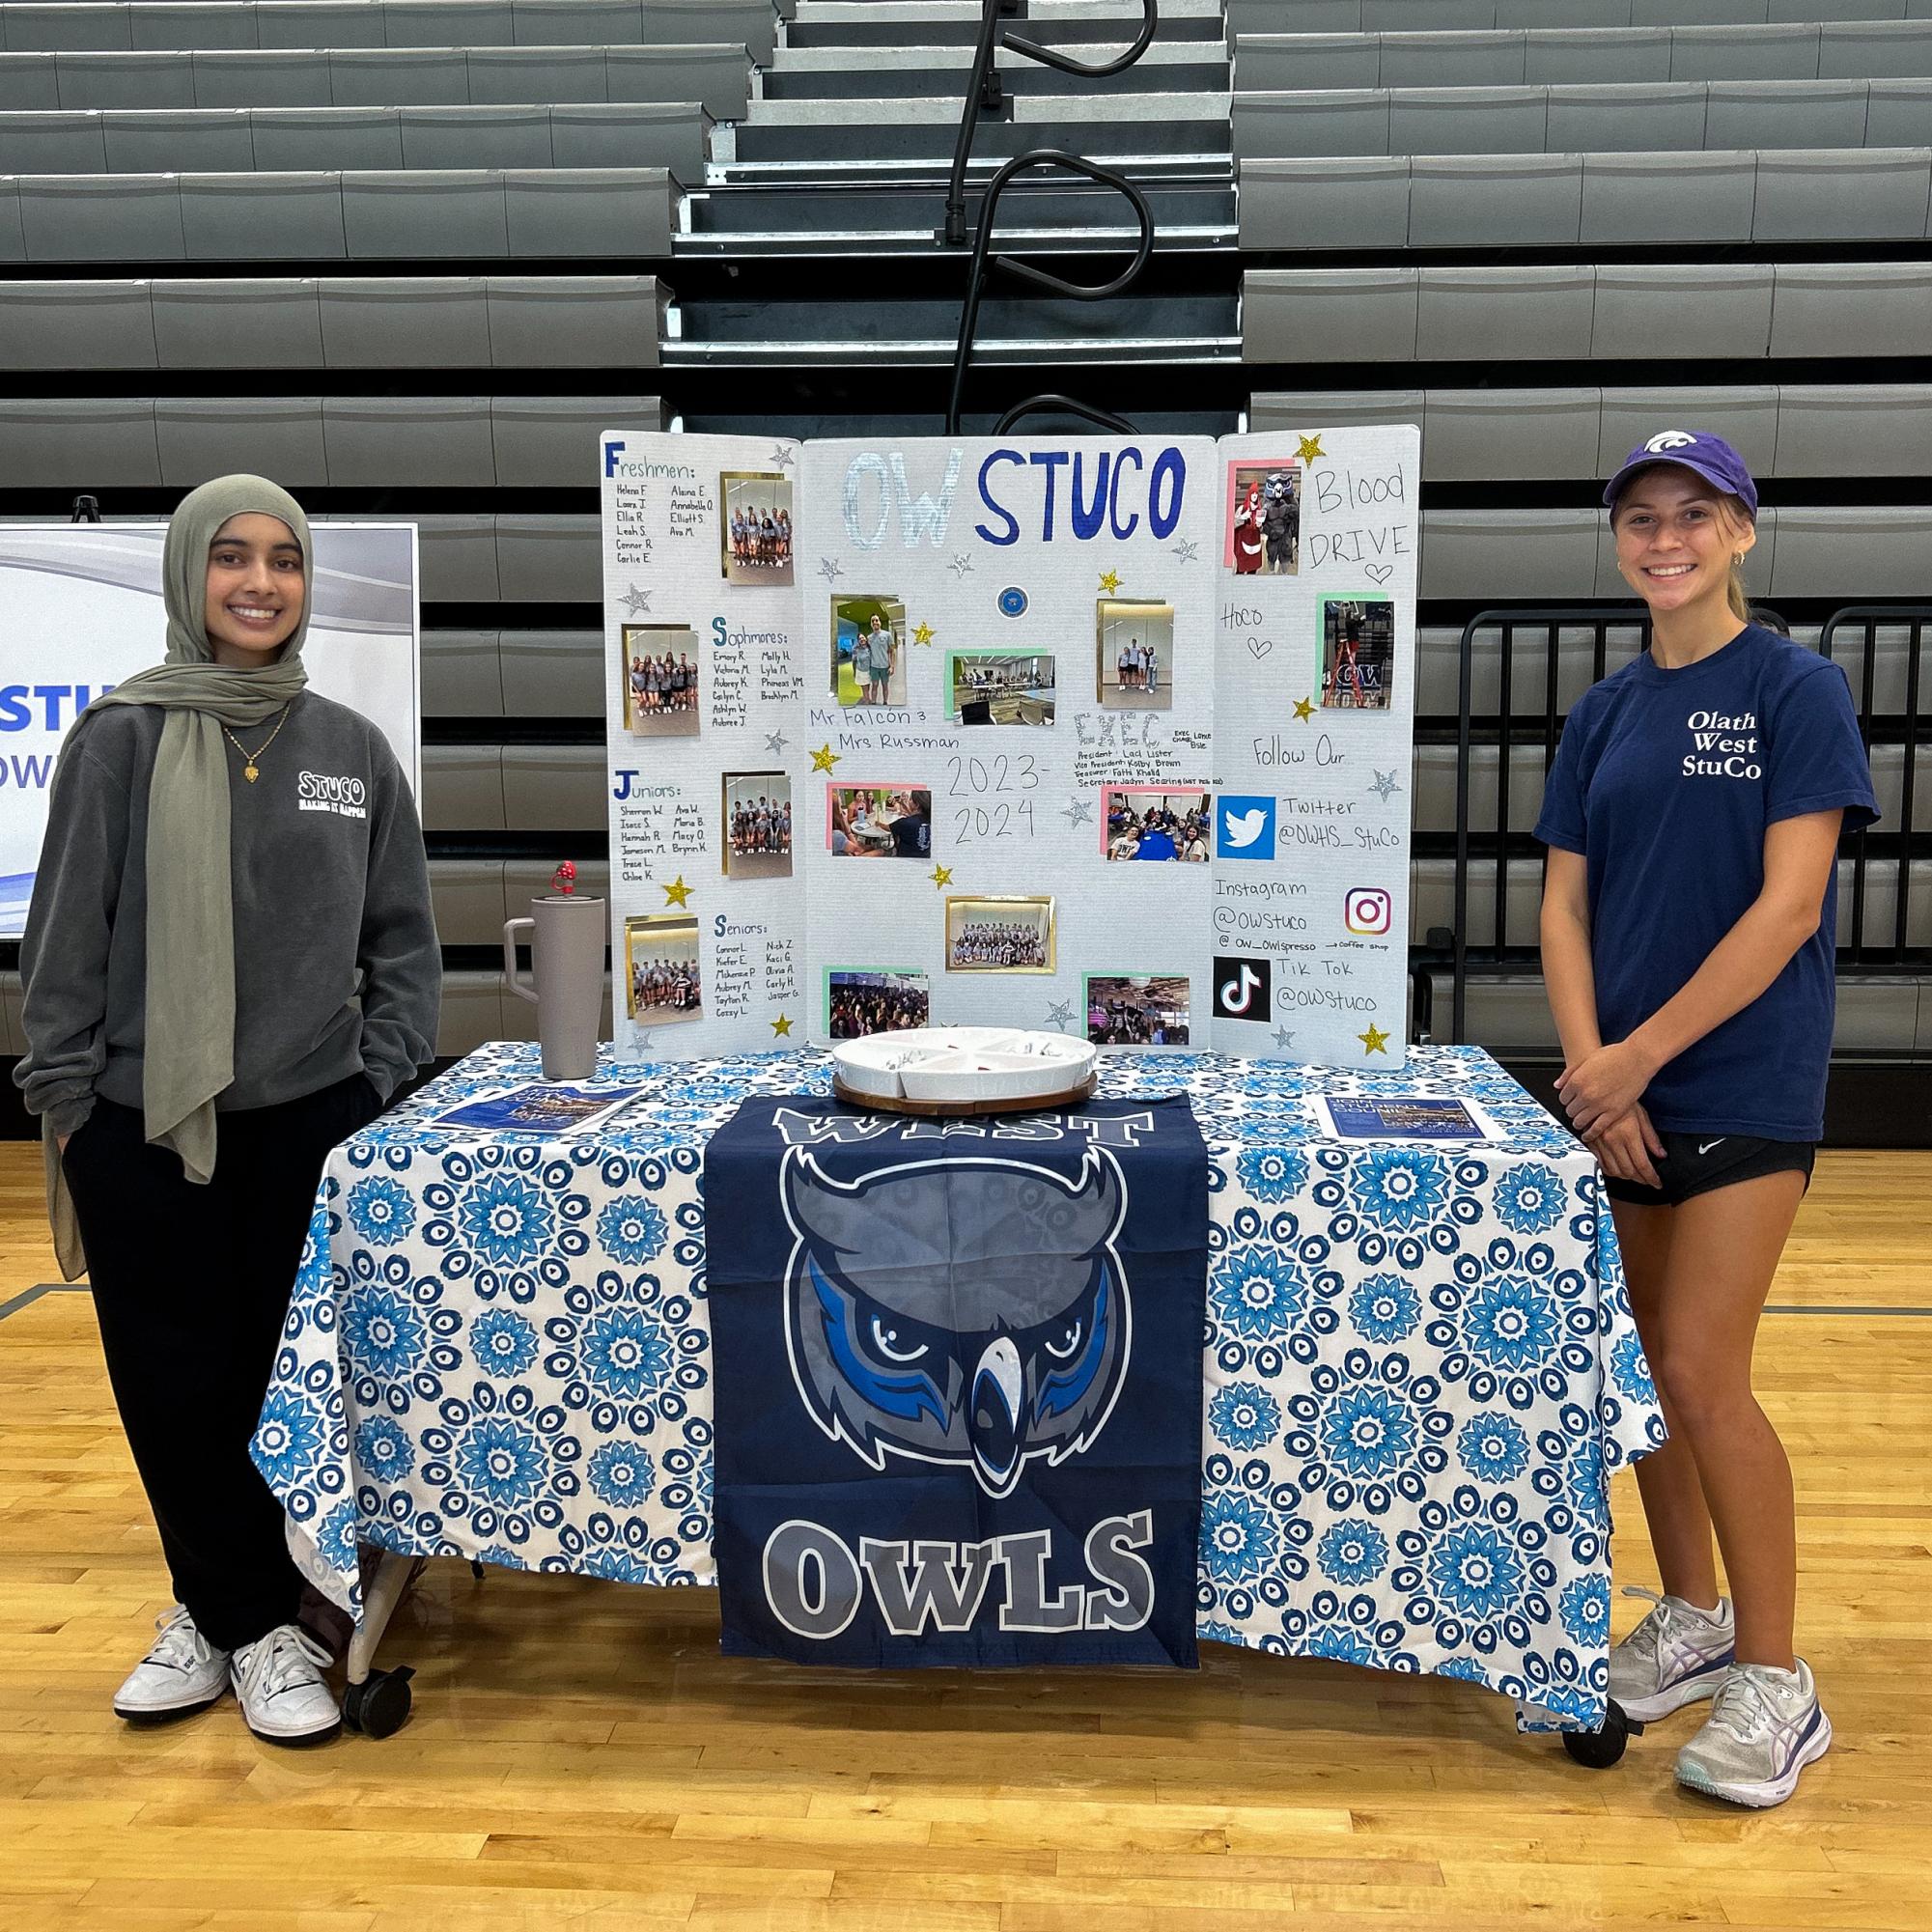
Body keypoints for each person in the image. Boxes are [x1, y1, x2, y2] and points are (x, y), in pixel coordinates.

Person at [14, 476, 441, 1746]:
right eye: (233, 558)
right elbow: (63, 947)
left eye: (287, 560)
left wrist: (376, 1075)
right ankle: (237, 1620)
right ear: (190, 574)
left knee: (282, 1385)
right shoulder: (117, 740)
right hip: (146, 1129)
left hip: (308, 1123)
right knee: (172, 1385)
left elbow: (405, 945)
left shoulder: (351, 751)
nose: (261, 582)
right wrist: (74, 1112)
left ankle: (243, 1620)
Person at [1535, 434, 1877, 1810]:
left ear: (1739, 530)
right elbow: (1563, 906)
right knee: (1641, 1378)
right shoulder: (1602, 713)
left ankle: (1779, 1683)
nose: (1662, 537)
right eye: (1638, 517)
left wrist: (1636, 1057)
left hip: (1738, 1079)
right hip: (1615, 1086)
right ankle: (1691, 1614)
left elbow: (1786, 906)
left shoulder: (1797, 690)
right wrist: (1588, 1070)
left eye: (1690, 514)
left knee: (1698, 1364)